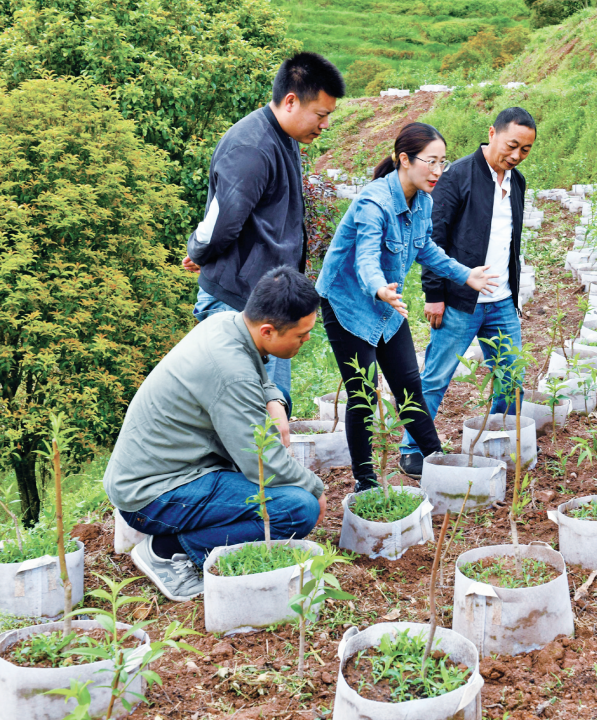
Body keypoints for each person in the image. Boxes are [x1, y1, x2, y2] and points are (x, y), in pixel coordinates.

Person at [104, 267, 326, 601]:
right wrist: (315, 488)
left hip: (164, 469)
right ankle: (168, 551)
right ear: (267, 330)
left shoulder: (225, 323)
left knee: (282, 404)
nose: (307, 340)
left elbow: (258, 374)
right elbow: (261, 462)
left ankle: (184, 534)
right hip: (153, 495)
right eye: (301, 334)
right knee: (298, 508)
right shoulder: (230, 373)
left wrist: (274, 399)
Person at [315, 122, 498, 493]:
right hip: (349, 300)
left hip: (386, 300)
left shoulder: (423, 202)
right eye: (430, 162)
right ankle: (365, 481)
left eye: (442, 162)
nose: (437, 171)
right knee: (363, 392)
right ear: (404, 159)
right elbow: (366, 256)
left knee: (408, 385)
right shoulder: (374, 202)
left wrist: (466, 276)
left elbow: (427, 249)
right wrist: (378, 286)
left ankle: (436, 461)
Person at [182, 52, 346, 413]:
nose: (325, 125)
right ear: (291, 101)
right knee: (247, 412)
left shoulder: (283, 136)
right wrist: (199, 251)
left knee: (272, 407)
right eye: (321, 114)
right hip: (238, 302)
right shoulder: (251, 147)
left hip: (267, 300)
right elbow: (222, 220)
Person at [399, 107, 537, 478]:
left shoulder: (517, 183)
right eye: (512, 145)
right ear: (492, 133)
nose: (516, 155)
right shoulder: (457, 176)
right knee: (436, 376)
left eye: (525, 150)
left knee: (511, 376)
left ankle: (500, 440)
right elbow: (433, 237)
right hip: (459, 301)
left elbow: (509, 242)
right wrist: (434, 294)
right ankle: (413, 447)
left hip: (501, 301)